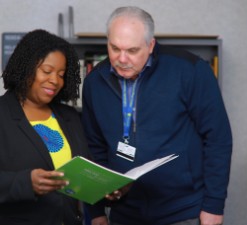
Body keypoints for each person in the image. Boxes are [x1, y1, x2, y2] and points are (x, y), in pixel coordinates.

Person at [81, 6, 232, 225]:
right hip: (124, 212)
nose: (121, 59)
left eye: (132, 50)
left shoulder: (190, 70)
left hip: (183, 210)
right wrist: (95, 211)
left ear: (150, 45)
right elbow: (93, 147)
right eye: (114, 48)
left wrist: (214, 205)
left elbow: (218, 139)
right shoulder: (95, 82)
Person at [0, 29, 90, 225]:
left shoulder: (69, 116)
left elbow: (84, 171)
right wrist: (25, 182)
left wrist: (108, 189)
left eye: (61, 74)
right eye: (47, 71)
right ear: (26, 68)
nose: (55, 80)